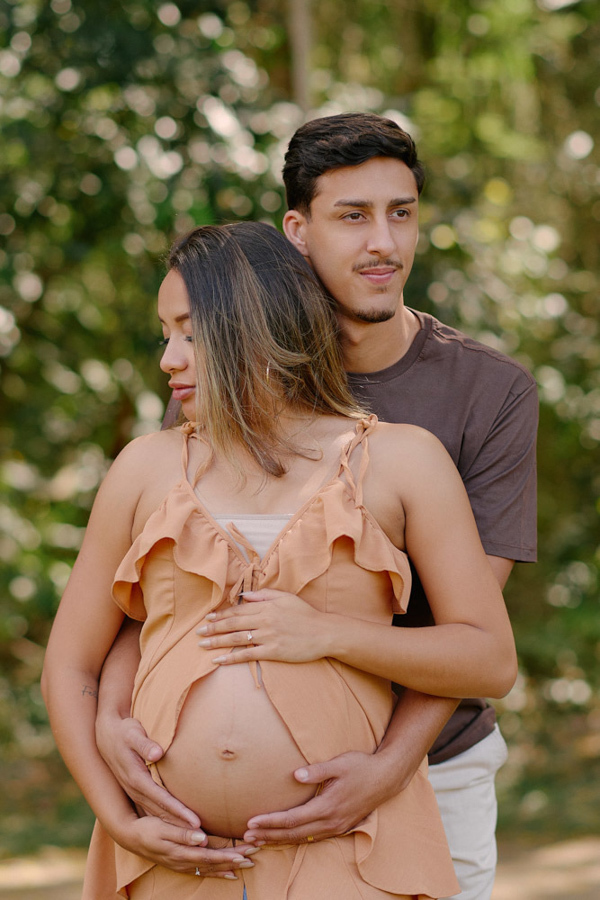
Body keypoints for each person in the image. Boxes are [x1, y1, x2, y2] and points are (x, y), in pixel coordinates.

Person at [95, 114, 538, 900]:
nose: (384, 244)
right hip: (221, 830)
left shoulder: (487, 394)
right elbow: (155, 596)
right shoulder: (220, 377)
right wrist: (115, 721)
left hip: (430, 759)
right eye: (353, 216)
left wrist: (385, 772)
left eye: (401, 212)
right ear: (297, 231)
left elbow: (466, 630)